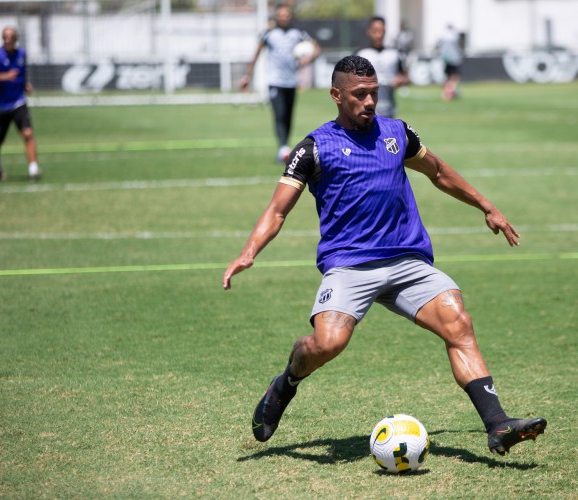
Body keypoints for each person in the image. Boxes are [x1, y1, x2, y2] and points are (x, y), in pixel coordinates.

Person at [223, 55, 547, 456]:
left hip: (407, 261)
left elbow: (439, 172)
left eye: (374, 93)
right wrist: (248, 252)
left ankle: (498, 425)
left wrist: (486, 206)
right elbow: (277, 211)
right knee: (328, 344)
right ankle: (285, 383)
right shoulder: (314, 148)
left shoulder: (397, 133)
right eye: (360, 95)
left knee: (458, 322)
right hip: (349, 265)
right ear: (336, 95)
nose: (370, 102)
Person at [239, 5, 321, 163]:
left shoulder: (298, 34)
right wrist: (247, 76)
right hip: (275, 82)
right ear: (276, 16)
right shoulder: (268, 34)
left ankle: (285, 147)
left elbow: (316, 48)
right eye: (281, 15)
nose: (283, 17)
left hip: (291, 82)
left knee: (288, 116)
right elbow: (256, 55)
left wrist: (309, 58)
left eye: (286, 15)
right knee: (279, 114)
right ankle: (283, 147)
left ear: (290, 16)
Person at [0, 26, 41, 181]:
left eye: (10, 37)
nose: (7, 40)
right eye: (5, 37)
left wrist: (25, 85)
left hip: (18, 102)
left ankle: (33, 169)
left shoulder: (22, 54)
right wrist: (5, 76)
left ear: (16, 39)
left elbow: (21, 73)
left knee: (28, 133)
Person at [356, 16, 409, 118]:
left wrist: (402, 80)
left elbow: (405, 76)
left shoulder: (394, 54)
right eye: (375, 31)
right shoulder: (360, 54)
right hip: (365, 111)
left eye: (382, 31)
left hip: (389, 108)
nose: (379, 35)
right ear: (368, 31)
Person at [437, 24, 463, 101]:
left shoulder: (442, 35)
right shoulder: (455, 35)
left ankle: (447, 92)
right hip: (454, 59)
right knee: (454, 76)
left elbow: (438, 45)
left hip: (445, 58)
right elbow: (459, 45)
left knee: (448, 76)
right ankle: (450, 92)